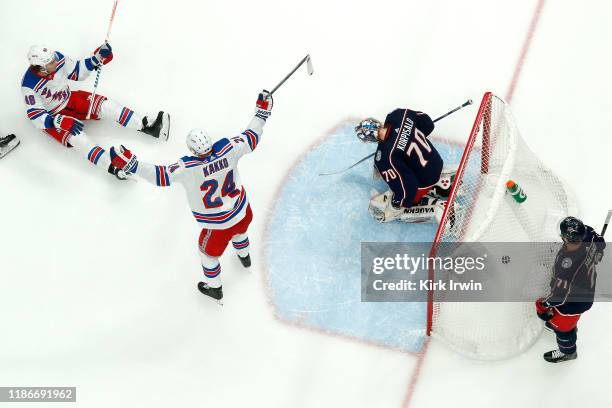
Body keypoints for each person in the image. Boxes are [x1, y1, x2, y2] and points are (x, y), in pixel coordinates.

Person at [108, 90, 273, 304]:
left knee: (208, 254)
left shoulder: (188, 167)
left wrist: (133, 165)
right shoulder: (228, 148)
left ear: (193, 149)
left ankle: (214, 288)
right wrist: (261, 114)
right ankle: (245, 256)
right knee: (240, 230)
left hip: (218, 227)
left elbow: (161, 175)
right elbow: (251, 136)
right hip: (243, 212)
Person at [21, 43, 170, 178]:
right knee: (79, 138)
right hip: (53, 118)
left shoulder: (56, 57)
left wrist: (97, 58)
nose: (55, 61)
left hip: (71, 99)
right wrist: (58, 121)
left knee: (108, 106)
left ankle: (149, 128)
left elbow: (77, 71)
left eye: (53, 58)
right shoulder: (28, 84)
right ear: (41, 68)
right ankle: (114, 168)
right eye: (50, 62)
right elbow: (35, 116)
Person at [355, 109, 454, 223]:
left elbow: (408, 185)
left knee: (407, 197)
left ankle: (436, 203)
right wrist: (407, 139)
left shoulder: (384, 159)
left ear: (369, 139)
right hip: (436, 161)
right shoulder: (399, 115)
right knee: (405, 165)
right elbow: (428, 124)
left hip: (427, 179)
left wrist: (399, 202)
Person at [536, 216, 606, 363]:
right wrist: (598, 252)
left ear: (566, 239)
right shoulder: (587, 236)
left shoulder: (566, 266)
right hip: (584, 292)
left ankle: (568, 351)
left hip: (572, 304)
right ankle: (565, 325)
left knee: (563, 329)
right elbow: (600, 241)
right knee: (564, 321)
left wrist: (542, 306)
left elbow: (558, 297)